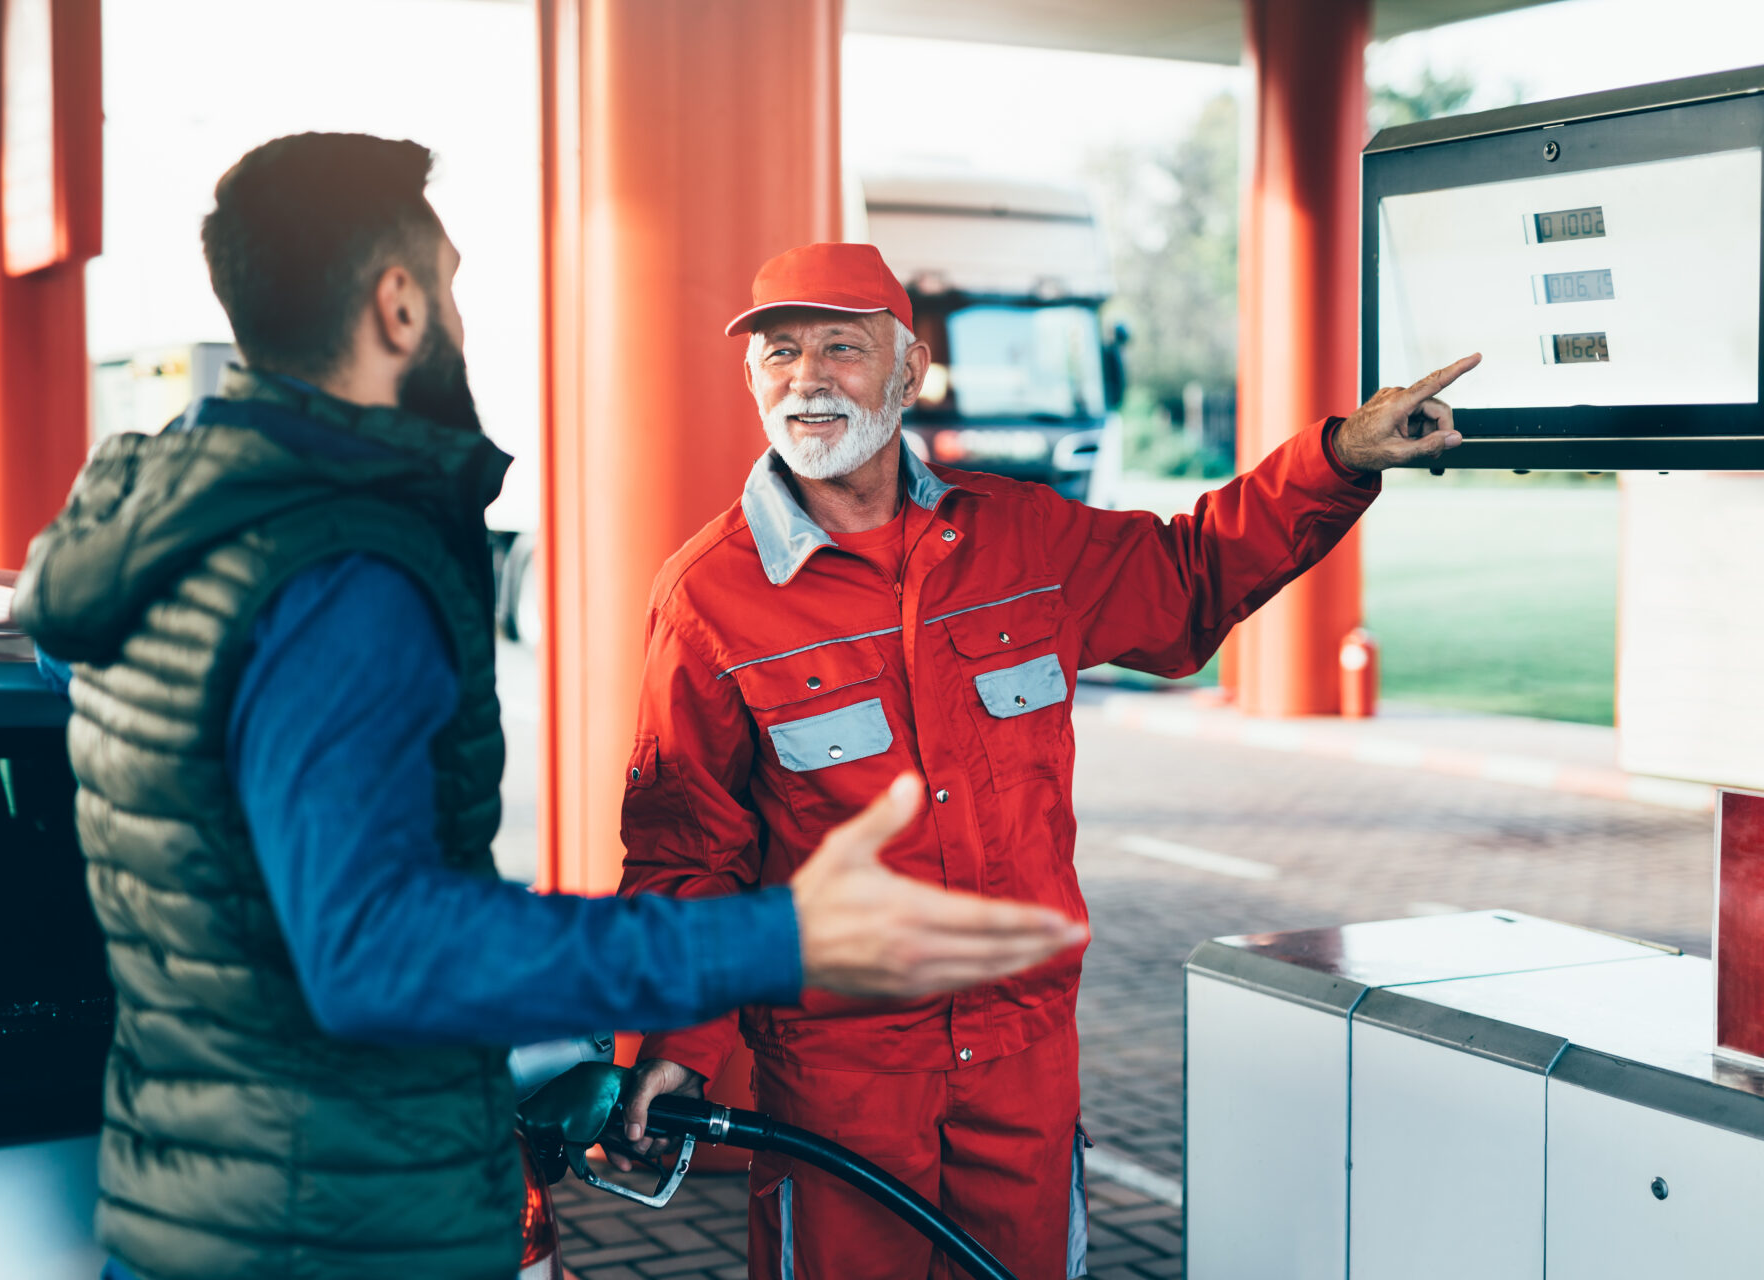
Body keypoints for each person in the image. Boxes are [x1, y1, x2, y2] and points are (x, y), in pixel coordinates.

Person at [14, 136, 1086, 1280]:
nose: (463, 323)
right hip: (336, 1224)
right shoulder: (338, 572)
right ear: (397, 304)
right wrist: (777, 935)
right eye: (454, 284)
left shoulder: (171, 534)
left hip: (202, 1196)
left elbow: (245, 872)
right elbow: (372, 945)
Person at [614, 241, 1478, 1279]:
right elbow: (687, 847)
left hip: (1022, 1061)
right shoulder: (709, 598)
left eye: (842, 346)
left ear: (909, 368)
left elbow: (1193, 573)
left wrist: (1336, 456)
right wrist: (673, 1046)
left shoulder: (1022, 541)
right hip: (842, 1079)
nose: (806, 377)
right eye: (779, 351)